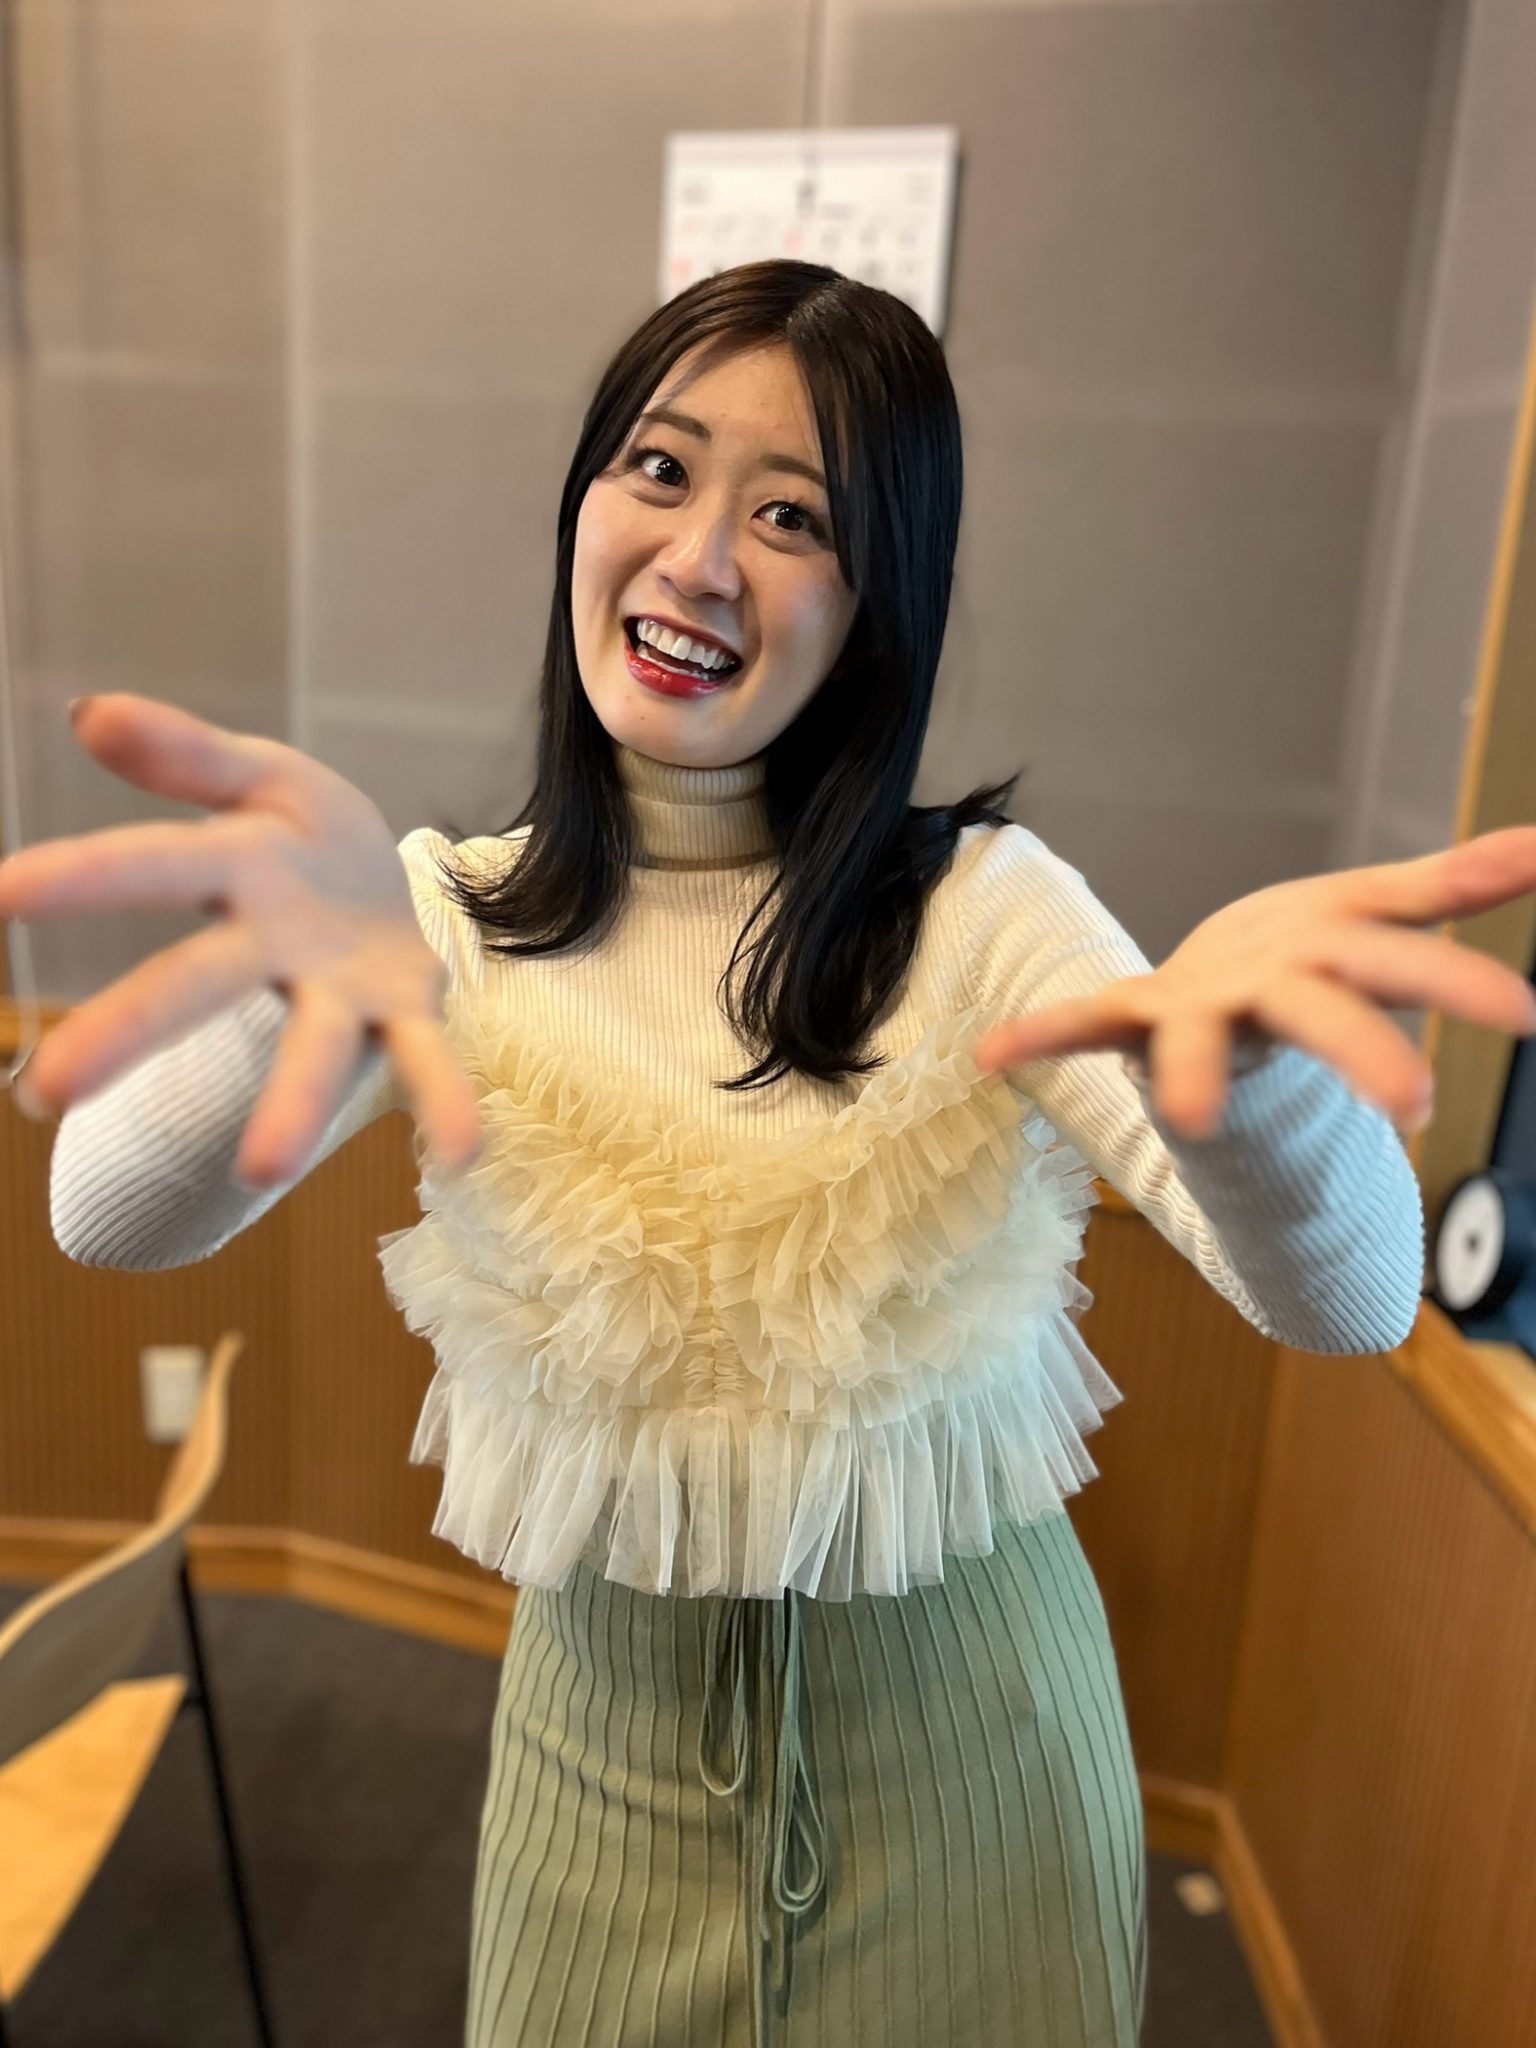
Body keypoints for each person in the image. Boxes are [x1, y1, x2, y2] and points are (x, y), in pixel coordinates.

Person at [2, 259, 1531, 2048]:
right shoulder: (437, 920)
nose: (700, 557)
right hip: (594, 1771)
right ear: (582, 506)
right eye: (657, 469)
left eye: (792, 515)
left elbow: (1352, 1303)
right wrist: (285, 995)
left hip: (979, 1772)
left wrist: (1258, 1094)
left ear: (880, 602)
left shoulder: (985, 913)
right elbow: (103, 1214)